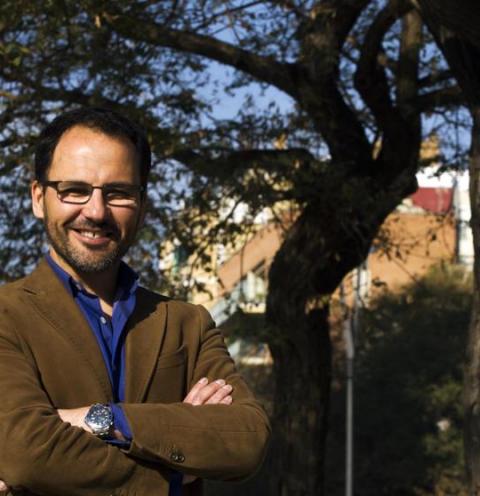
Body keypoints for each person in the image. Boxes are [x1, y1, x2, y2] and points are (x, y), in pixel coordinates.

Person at [0, 107, 270, 495]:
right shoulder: (7, 315)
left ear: (142, 206)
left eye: (119, 193)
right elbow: (24, 452)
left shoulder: (188, 324)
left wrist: (103, 420)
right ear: (39, 198)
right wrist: (173, 470)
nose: (96, 211)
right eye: (74, 190)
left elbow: (247, 438)